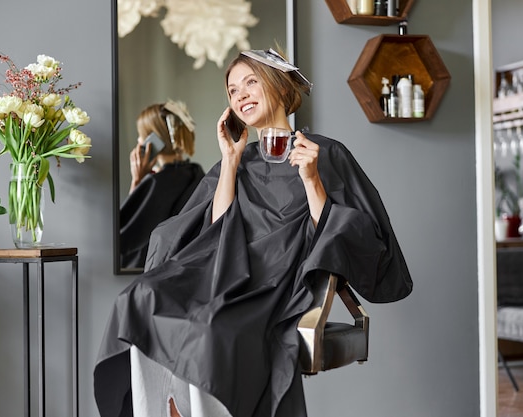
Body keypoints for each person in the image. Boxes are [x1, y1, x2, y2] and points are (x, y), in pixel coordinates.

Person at [95, 48, 413, 417]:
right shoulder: (235, 159)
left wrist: (311, 179)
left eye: (250, 82)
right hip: (222, 276)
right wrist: (230, 162)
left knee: (209, 332)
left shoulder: (325, 153)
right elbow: (213, 234)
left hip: (276, 286)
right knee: (138, 297)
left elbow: (343, 236)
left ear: (278, 87)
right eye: (232, 90)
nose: (240, 95)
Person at [120, 101, 205, 269]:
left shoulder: (156, 183)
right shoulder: (197, 173)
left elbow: (124, 242)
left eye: (141, 135)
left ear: (153, 140)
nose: (138, 140)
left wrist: (137, 182)